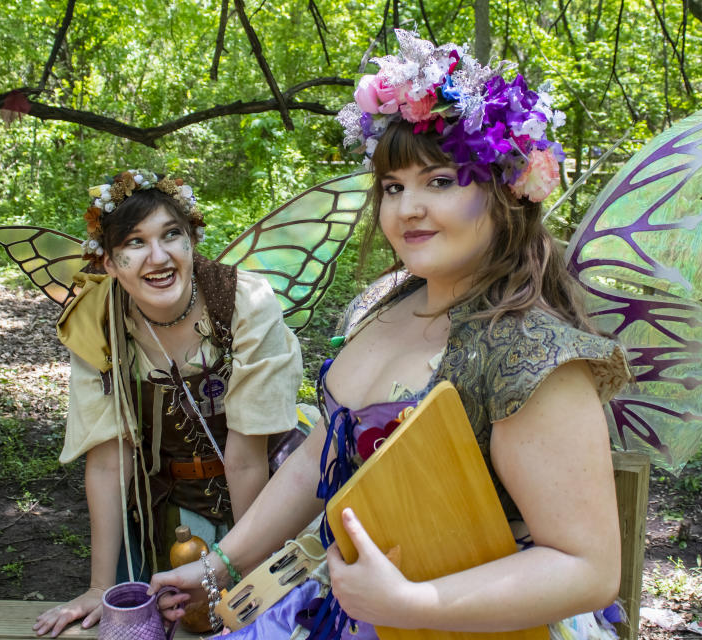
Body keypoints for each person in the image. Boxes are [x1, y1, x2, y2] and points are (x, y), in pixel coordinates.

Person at [148, 30, 630, 639]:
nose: (406, 209)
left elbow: (588, 569)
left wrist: (415, 604)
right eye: (394, 187)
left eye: (441, 181)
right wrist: (222, 564)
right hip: (348, 603)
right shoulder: (383, 304)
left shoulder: (531, 353)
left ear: (507, 190)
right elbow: (316, 462)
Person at [33, 170, 303, 637]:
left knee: (273, 618)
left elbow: (246, 456)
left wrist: (249, 573)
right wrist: (100, 585)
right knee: (180, 621)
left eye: (170, 234)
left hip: (269, 484)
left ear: (191, 240)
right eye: (134, 243)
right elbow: (107, 459)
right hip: (171, 502)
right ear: (109, 263)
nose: (158, 257)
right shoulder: (98, 320)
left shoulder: (243, 301)